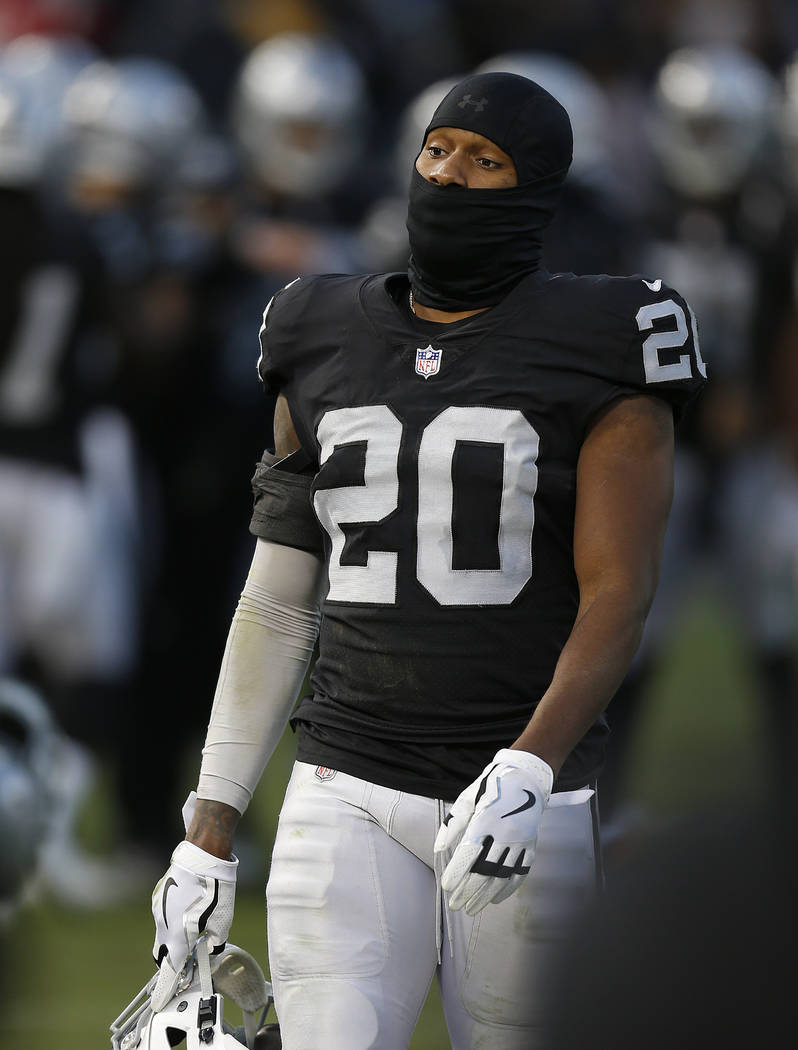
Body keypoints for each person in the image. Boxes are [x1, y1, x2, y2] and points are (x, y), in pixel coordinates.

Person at [151, 71, 707, 1050]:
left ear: (535, 190)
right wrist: (211, 824)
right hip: (344, 785)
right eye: (438, 150)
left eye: (485, 162)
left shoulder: (609, 335)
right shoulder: (316, 328)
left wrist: (532, 765)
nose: (450, 176)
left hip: (521, 794)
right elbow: (280, 598)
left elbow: (617, 590)